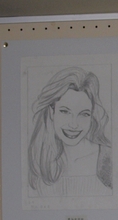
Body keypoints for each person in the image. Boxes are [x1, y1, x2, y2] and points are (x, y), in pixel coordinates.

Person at [27, 67, 112, 197]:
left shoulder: (107, 156)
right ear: (51, 112)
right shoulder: (37, 157)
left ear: (92, 116)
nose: (74, 124)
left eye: (84, 114)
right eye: (65, 112)